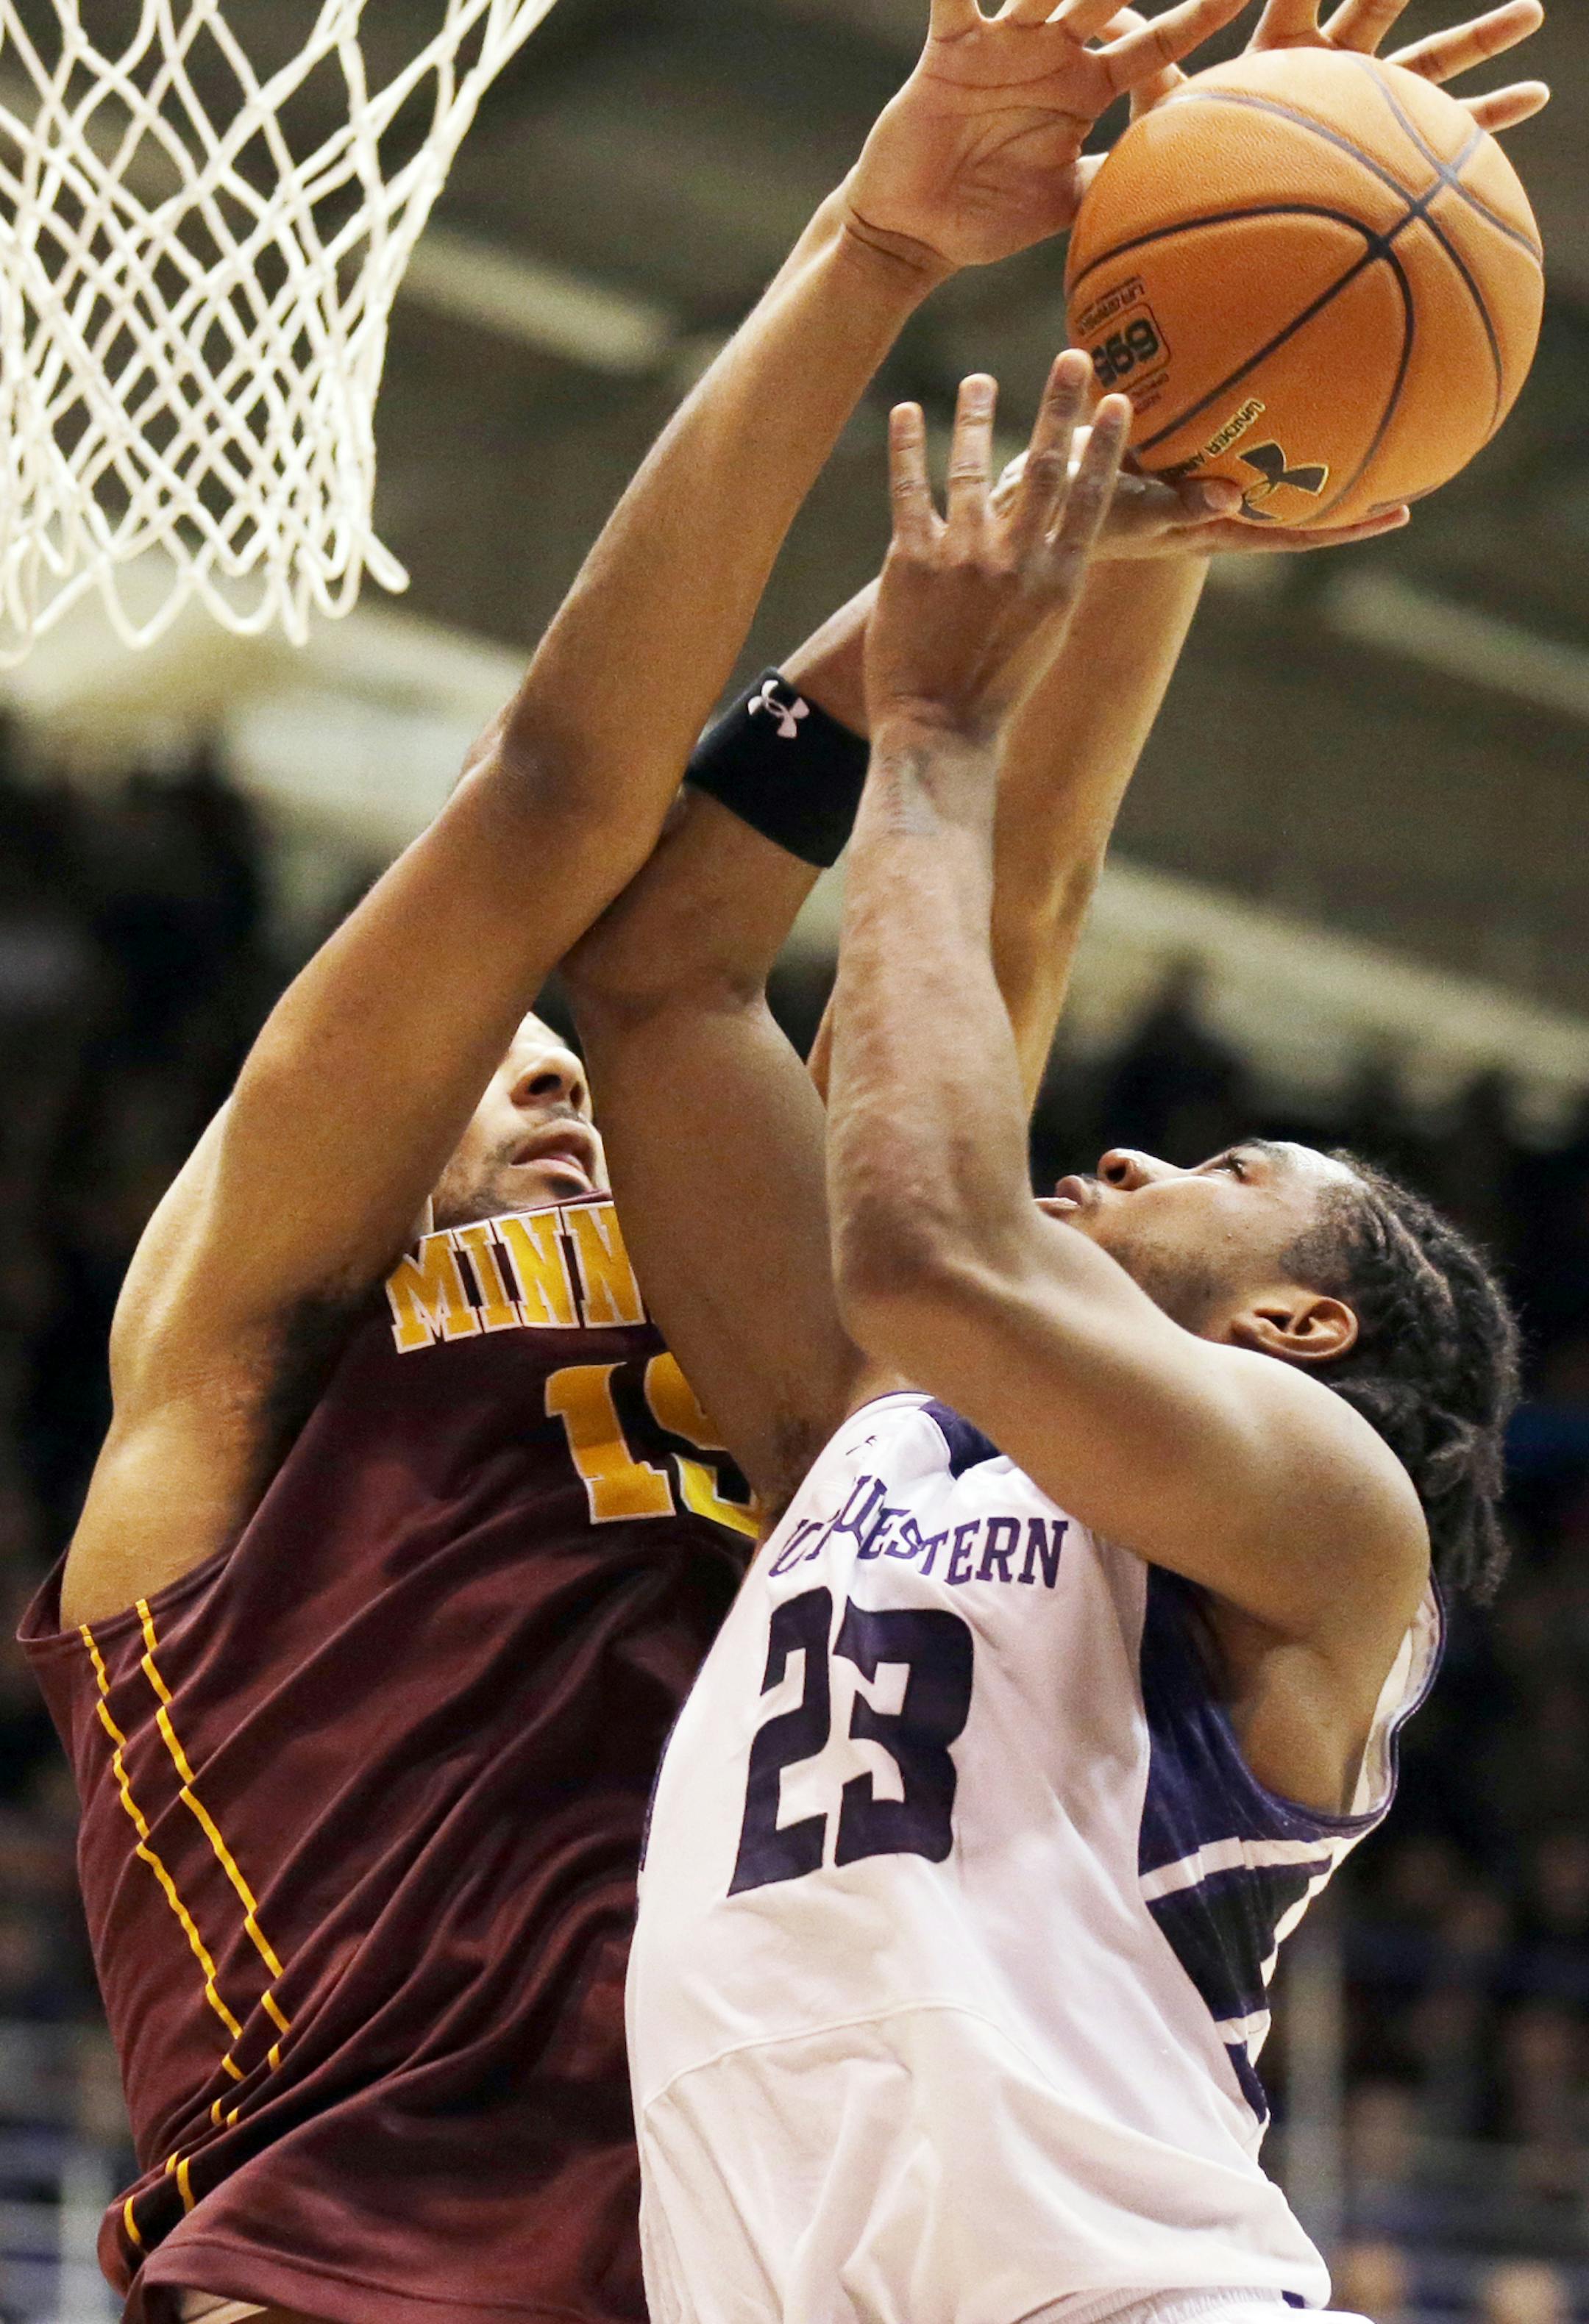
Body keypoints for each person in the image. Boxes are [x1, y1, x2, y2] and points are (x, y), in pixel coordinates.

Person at [17, 7, 1272, 2321]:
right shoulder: (252, 1354)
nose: (560, 1081)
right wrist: (876, 240)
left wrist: (1168, 407)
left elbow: (1000, 899)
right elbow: (548, 811)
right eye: (492, 1061)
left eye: (560, 1060)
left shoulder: (815, 1348)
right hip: (347, 2271)